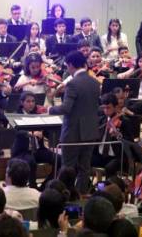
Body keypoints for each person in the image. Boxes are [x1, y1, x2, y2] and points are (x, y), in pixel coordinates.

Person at [49, 51, 100, 194]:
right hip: (90, 131)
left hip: (73, 133)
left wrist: (49, 109)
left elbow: (66, 108)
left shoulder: (73, 84)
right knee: (85, 169)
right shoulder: (95, 82)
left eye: (67, 67)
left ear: (71, 65)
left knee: (67, 168)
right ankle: (80, 196)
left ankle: (64, 197)